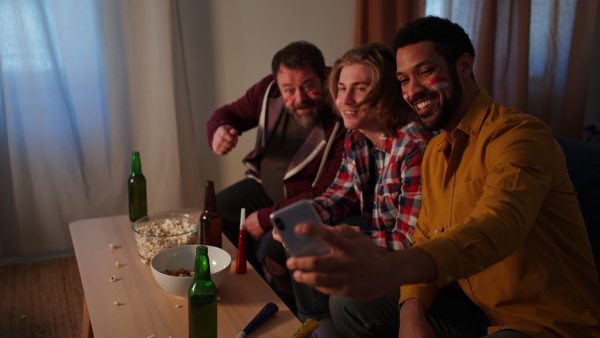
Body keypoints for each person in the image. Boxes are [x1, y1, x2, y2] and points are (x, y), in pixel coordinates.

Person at [284, 16, 600, 338]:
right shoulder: (436, 151)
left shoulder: (520, 135)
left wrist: (393, 267)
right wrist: (411, 310)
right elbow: (425, 237)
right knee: (349, 305)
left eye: (425, 72)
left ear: (464, 66)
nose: (413, 90)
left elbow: (500, 225)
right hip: (473, 305)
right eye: (404, 79)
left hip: (541, 322)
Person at [273, 42, 434, 337]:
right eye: (342, 87)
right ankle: (317, 326)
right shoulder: (357, 135)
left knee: (323, 250)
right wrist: (300, 217)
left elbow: (410, 242)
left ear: (385, 94)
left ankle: (324, 326)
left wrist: (342, 239)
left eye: (360, 89)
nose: (344, 99)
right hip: (379, 239)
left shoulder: (413, 146)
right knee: (302, 240)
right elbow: (339, 194)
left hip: (411, 262)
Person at [206, 41, 346, 309]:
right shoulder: (267, 90)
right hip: (260, 188)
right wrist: (220, 130)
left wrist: (268, 217)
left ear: (324, 76)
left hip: (304, 203)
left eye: (308, 86)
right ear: (277, 85)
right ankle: (236, 286)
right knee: (215, 211)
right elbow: (229, 113)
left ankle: (289, 306)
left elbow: (325, 192)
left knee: (277, 247)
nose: (300, 98)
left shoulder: (340, 111)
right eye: (289, 90)